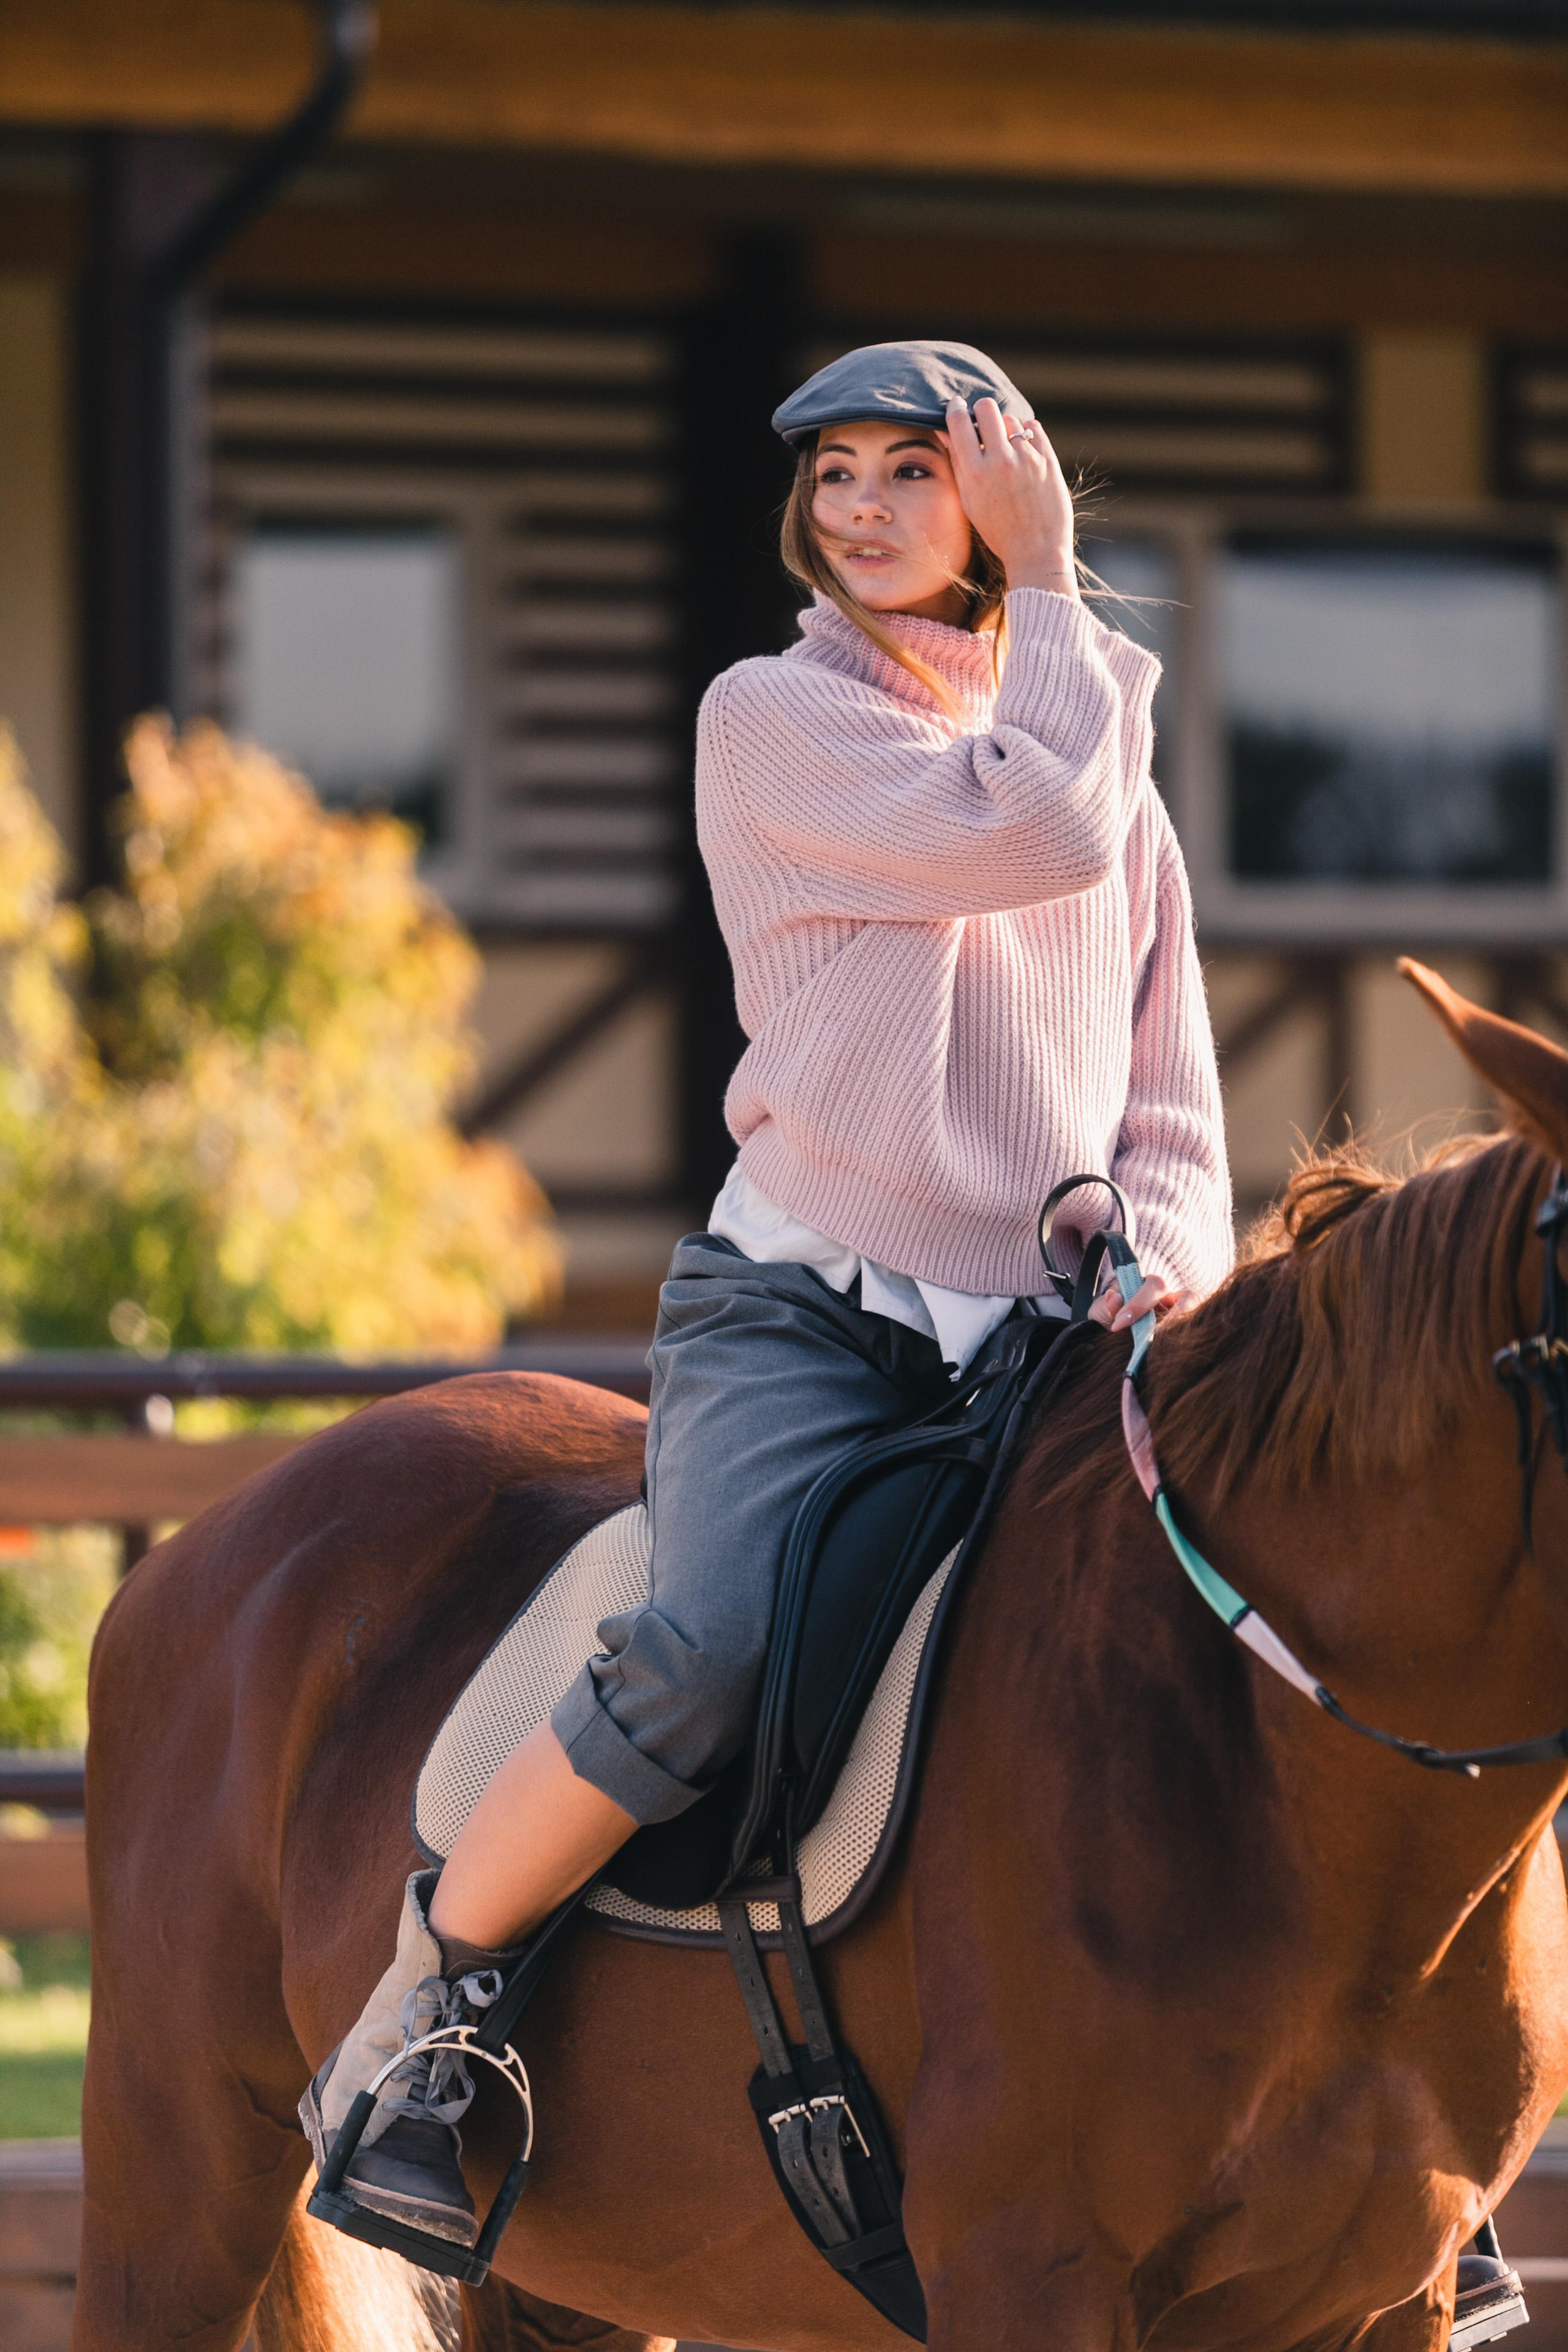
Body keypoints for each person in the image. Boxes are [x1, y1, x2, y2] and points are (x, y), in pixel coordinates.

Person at [300, 339, 1235, 2247]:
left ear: (989, 488)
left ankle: (1371, 2116)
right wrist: (1048, 573)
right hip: (808, 1319)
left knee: (1231, 1622)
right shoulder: (777, 718)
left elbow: (1167, 1090)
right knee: (707, 1649)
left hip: (1054, 1336)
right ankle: (435, 2013)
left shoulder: (1103, 760)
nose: (871, 508)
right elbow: (1027, 825)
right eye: (839, 477)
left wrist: (1162, 1257)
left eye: (917, 470)